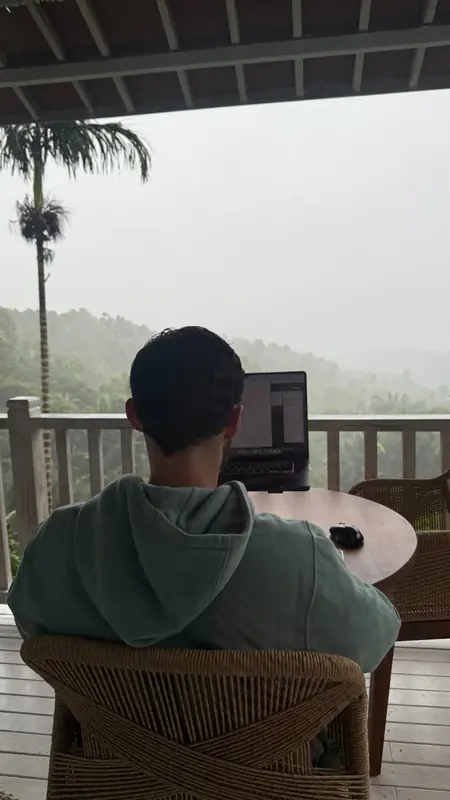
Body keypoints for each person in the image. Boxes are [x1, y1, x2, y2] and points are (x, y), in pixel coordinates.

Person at [8, 326, 400, 674]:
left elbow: (32, 628)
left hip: (115, 754)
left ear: (135, 416)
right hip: (261, 757)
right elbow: (374, 640)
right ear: (233, 422)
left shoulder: (57, 545)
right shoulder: (299, 556)